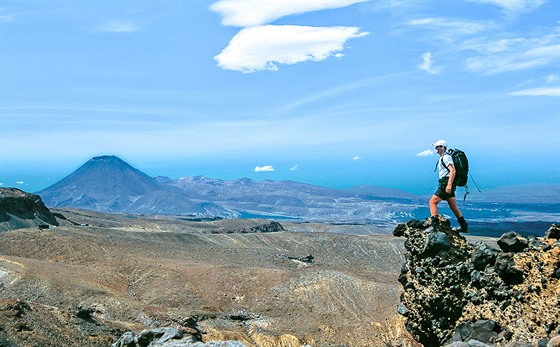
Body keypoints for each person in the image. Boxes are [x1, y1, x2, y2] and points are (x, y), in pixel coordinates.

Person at [429, 139, 468, 232]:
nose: (435, 149)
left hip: (445, 183)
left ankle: (435, 226)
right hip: (447, 183)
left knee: (432, 202)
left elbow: (452, 170)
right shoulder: (444, 157)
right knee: (453, 206)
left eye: (437, 147)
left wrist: (449, 185)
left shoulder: (446, 157)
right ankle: (464, 226)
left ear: (442, 147)